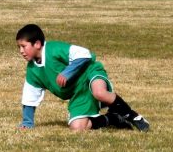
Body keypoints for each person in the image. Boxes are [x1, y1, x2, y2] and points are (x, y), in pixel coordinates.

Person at [15, 23, 149, 132]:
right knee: (77, 127)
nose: (21, 51)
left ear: (37, 44)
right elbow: (29, 96)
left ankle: (133, 116)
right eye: (19, 47)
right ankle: (113, 118)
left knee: (99, 92)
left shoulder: (54, 49)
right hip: (78, 93)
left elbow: (85, 54)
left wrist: (67, 72)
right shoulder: (32, 70)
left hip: (89, 73)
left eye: (23, 46)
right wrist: (28, 122)